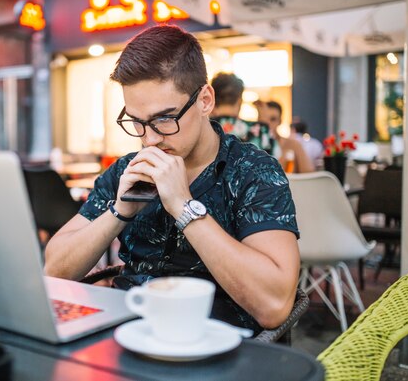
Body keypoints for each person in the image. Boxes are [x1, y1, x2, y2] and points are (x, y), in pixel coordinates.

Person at [44, 25, 300, 332]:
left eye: (165, 119)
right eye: (137, 122)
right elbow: (54, 271)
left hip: (216, 347)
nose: (149, 139)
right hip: (125, 336)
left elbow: (273, 306)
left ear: (205, 100)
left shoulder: (252, 171)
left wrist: (184, 207)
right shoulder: (127, 170)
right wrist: (119, 212)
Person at [210, 72, 276, 155]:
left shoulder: (204, 128)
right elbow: (275, 162)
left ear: (212, 98)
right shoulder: (261, 131)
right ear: (239, 101)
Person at [257, 100, 315, 173]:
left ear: (280, 121)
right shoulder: (252, 147)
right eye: (263, 119)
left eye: (273, 119)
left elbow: (309, 173)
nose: (268, 124)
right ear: (258, 120)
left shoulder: (293, 145)